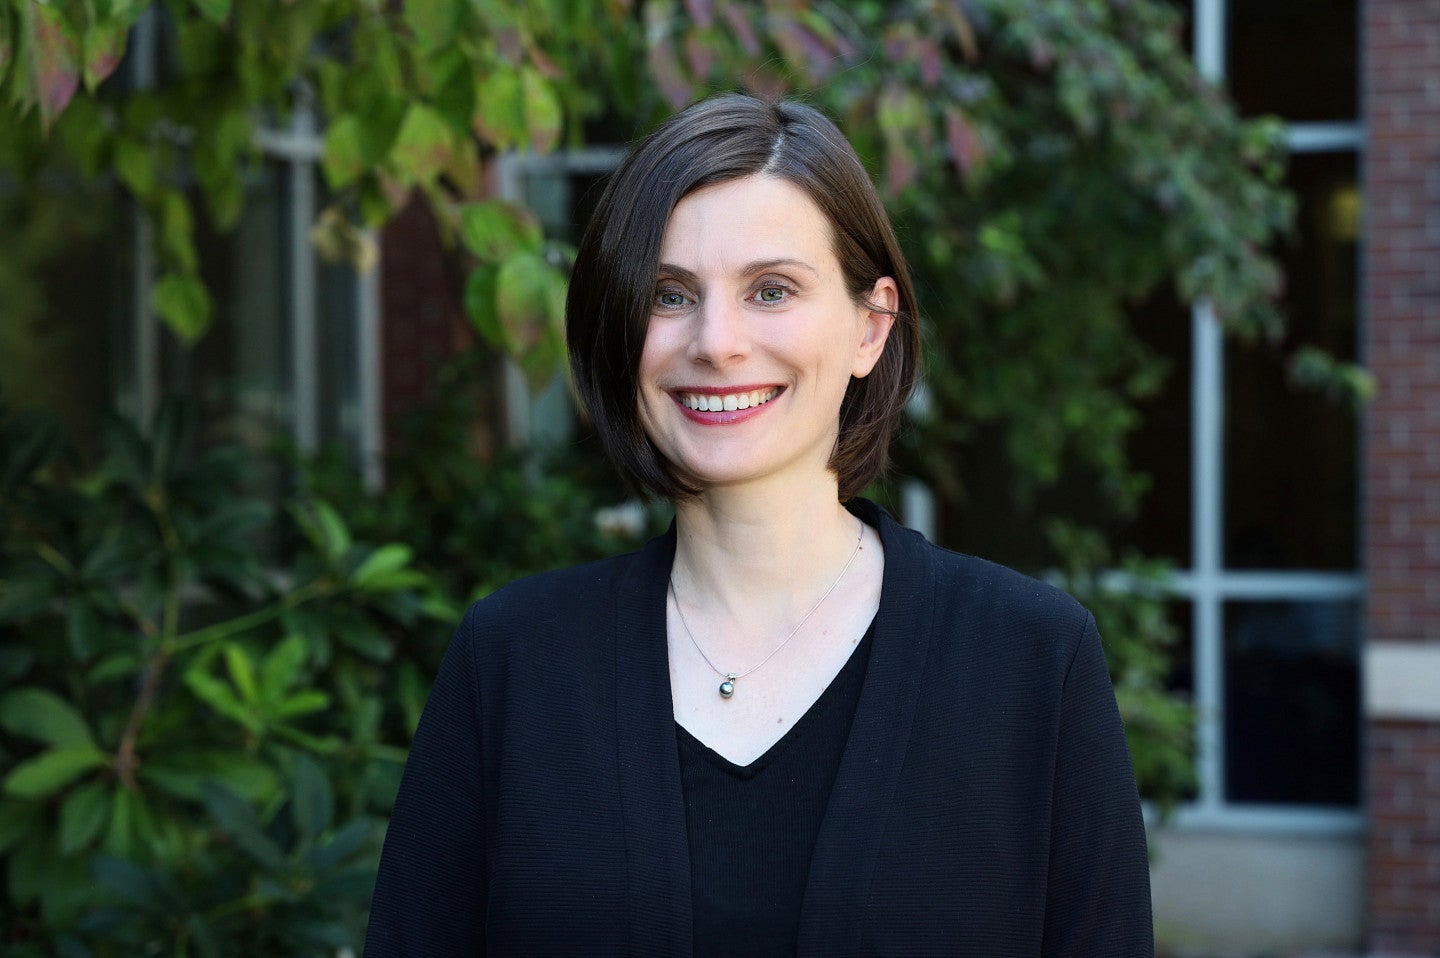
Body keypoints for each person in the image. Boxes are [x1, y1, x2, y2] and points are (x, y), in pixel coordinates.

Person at [364, 93, 1153, 957]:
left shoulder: (1031, 663)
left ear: (870, 326)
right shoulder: (512, 661)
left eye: (771, 290)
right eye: (669, 296)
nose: (718, 341)